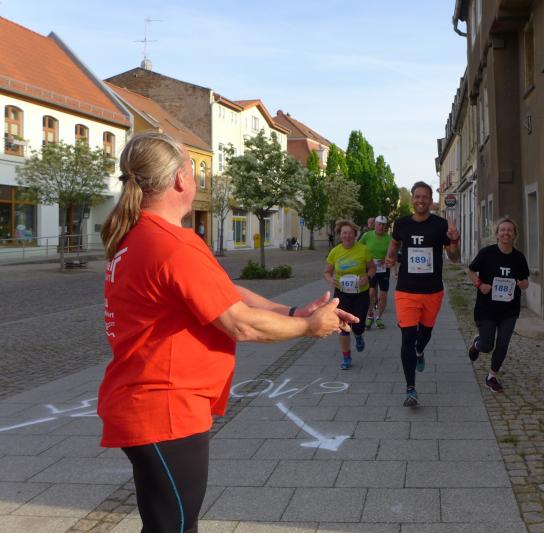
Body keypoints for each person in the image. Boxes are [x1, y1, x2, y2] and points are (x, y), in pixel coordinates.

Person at [97, 132, 358, 533]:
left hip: (147, 402)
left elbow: (223, 291)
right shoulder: (171, 244)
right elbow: (239, 323)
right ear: (180, 179)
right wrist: (308, 326)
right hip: (166, 407)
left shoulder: (140, 237)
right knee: (176, 527)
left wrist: (290, 310)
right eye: (193, 169)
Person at [384, 181, 460, 406]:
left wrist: (454, 239)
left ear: (430, 200)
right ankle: (410, 388)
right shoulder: (401, 223)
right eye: (417, 196)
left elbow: (454, 257)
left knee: (424, 335)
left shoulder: (440, 225)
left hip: (432, 290)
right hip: (406, 290)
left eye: (425, 197)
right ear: (412, 199)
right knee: (407, 337)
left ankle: (420, 350)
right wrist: (390, 256)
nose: (420, 200)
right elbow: (394, 243)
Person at [465, 217, 530, 392]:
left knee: (502, 343)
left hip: (509, 309)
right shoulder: (487, 253)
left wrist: (523, 284)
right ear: (497, 234)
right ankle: (477, 344)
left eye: (509, 230)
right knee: (487, 346)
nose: (506, 233)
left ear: (514, 235)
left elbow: (525, 280)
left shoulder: (519, 258)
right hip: (487, 308)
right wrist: (480, 284)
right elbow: (470, 270)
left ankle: (491, 376)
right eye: (502, 230)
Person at [324, 219, 376, 369]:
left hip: (361, 293)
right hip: (342, 293)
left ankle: (359, 336)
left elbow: (372, 268)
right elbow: (327, 272)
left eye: (350, 233)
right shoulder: (335, 251)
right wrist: (331, 280)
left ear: (355, 234)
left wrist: (367, 277)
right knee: (343, 327)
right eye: (344, 233)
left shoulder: (363, 250)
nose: (347, 236)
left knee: (358, 326)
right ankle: (346, 357)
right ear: (340, 235)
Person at [358, 215, 392, 330]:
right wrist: (365, 260)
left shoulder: (389, 238)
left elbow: (393, 253)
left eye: (383, 225)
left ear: (385, 226)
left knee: (383, 294)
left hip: (383, 269)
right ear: (375, 225)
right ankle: (370, 315)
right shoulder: (367, 236)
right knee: (371, 293)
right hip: (371, 268)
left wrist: (387, 258)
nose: (381, 227)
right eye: (379, 224)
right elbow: (359, 248)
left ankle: (378, 317)